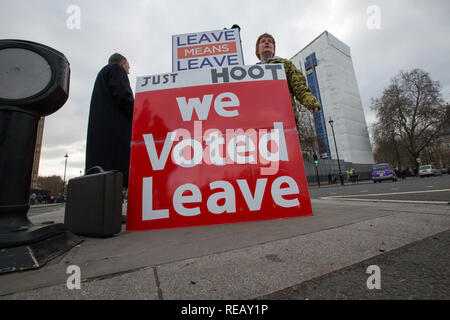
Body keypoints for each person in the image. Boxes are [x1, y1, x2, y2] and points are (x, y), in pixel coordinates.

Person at [85, 53, 134, 188]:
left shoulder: (102, 74)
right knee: (115, 174)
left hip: (103, 134)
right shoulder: (116, 69)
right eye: (128, 67)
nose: (128, 72)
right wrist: (138, 115)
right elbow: (124, 97)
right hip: (114, 133)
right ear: (123, 63)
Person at [255, 33, 320, 122]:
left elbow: (298, 85)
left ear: (274, 50)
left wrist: (309, 100)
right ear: (257, 51)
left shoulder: (285, 64)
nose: (267, 43)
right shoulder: (251, 71)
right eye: (263, 41)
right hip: (261, 119)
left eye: (270, 42)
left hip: (285, 117)